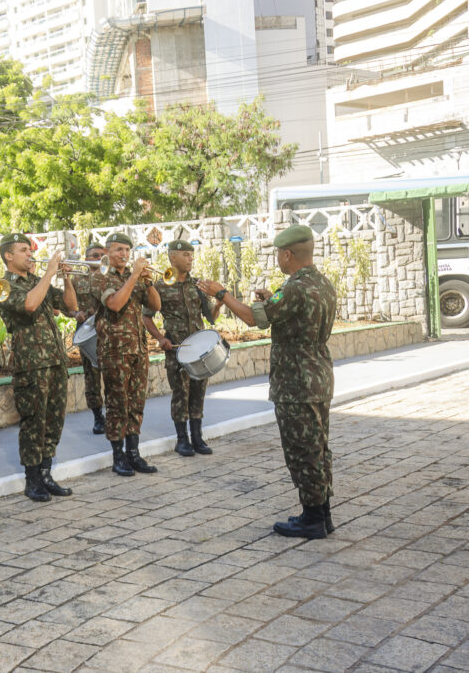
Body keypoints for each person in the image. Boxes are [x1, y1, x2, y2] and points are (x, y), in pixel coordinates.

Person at [197, 225, 336, 539]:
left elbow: (252, 318)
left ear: (287, 254)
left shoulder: (295, 287)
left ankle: (312, 517)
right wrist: (270, 298)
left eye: (279, 253)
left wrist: (221, 293)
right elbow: (285, 311)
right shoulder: (320, 283)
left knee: (302, 449)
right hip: (318, 373)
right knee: (319, 446)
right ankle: (322, 512)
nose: (278, 258)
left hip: (296, 378)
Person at [0, 234, 78, 501]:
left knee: (54, 420)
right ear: (9, 256)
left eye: (30, 250)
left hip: (54, 361)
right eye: (23, 250)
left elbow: (70, 306)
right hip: (31, 366)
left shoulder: (35, 281)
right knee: (34, 423)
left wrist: (66, 278)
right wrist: (49, 273)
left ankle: (46, 474)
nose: (30, 255)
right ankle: (32, 480)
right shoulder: (4, 286)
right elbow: (30, 305)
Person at [144, 240, 223, 457]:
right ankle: (182, 440)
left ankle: (197, 438)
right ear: (172, 258)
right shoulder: (160, 286)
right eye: (185, 254)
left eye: (191, 255)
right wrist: (160, 338)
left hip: (200, 349)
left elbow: (210, 318)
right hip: (177, 349)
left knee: (199, 392)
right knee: (181, 393)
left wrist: (218, 304)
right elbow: (146, 317)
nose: (190, 259)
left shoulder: (197, 286)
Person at [92, 233, 162, 476]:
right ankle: (118, 456)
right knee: (117, 404)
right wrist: (134, 276)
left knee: (136, 403)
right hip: (114, 351)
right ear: (108, 253)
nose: (124, 254)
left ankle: (134, 454)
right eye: (119, 250)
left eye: (127, 250)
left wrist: (148, 281)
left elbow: (155, 305)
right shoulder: (101, 276)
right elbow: (114, 304)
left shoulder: (134, 277)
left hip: (138, 348)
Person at [73, 242, 106, 434]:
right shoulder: (77, 279)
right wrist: (76, 313)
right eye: (94, 255)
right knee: (91, 376)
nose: (98, 258)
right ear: (86, 257)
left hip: (108, 329)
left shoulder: (110, 275)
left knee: (112, 374)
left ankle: (114, 413)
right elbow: (67, 305)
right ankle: (98, 417)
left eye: (102, 255)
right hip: (87, 330)